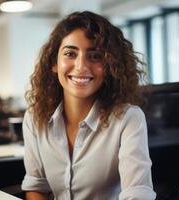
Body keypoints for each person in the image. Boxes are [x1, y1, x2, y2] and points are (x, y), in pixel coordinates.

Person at [22, 11, 156, 200]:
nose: (81, 66)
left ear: (110, 66)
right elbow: (36, 185)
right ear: (54, 63)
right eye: (70, 53)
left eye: (95, 56)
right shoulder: (35, 118)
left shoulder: (128, 118)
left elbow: (138, 194)